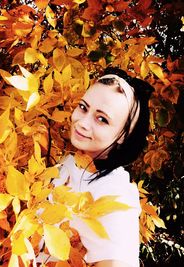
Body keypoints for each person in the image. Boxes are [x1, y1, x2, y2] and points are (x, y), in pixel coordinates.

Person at [37, 67, 154, 267]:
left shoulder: (116, 194)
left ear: (123, 136)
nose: (82, 122)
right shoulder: (72, 161)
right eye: (83, 107)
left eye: (102, 119)